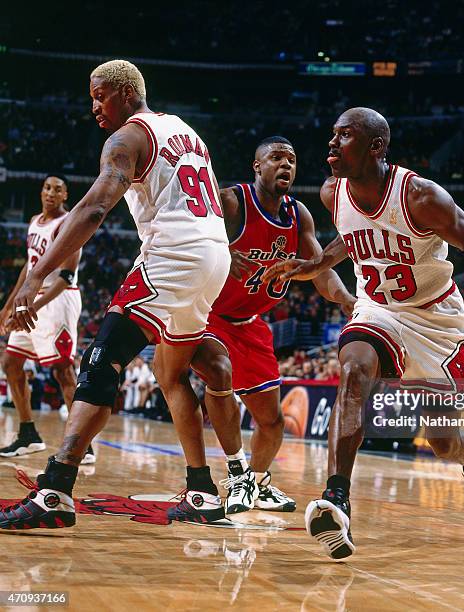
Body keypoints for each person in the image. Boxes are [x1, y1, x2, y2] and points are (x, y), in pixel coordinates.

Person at [266, 107, 464, 559]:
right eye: (332, 134)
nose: (332, 143)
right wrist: (315, 265)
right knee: (354, 368)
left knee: (444, 442)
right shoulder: (333, 192)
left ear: (375, 147)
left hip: (434, 320)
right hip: (378, 309)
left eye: (345, 135)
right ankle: (337, 499)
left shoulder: (420, 196)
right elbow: (350, 238)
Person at [0, 60, 248, 530]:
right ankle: (202, 491)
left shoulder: (128, 138)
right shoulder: (184, 130)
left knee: (102, 358)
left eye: (99, 96)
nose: (93, 106)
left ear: (126, 92)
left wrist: (35, 277)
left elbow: (94, 207)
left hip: (174, 255)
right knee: (170, 375)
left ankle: (55, 490)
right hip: (214, 256)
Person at [191, 136, 355, 514]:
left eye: (292, 160)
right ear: (257, 166)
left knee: (273, 421)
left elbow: (319, 270)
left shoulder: (300, 216)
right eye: (276, 158)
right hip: (209, 313)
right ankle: (236, 473)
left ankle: (258, 483)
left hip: (251, 324)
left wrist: (345, 298)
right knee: (219, 373)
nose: (286, 165)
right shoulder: (232, 201)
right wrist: (218, 248)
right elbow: (183, 220)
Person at [0, 175, 93, 463]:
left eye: (58, 190)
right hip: (32, 299)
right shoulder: (33, 221)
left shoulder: (69, 225)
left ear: (66, 196)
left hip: (57, 300)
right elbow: (29, 268)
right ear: (41, 192)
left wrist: (34, 305)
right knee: (11, 363)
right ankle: (28, 435)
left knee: (63, 371)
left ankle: (82, 445)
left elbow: (66, 277)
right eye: (47, 188)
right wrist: (9, 304)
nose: (51, 193)